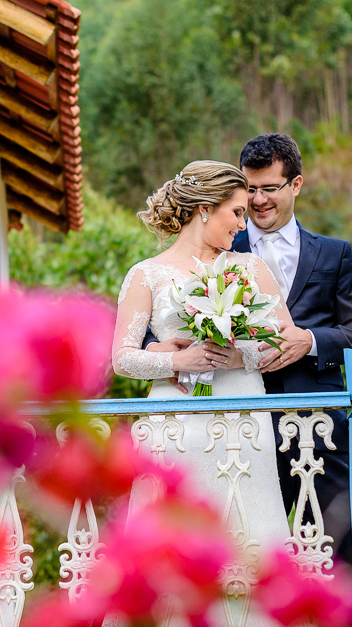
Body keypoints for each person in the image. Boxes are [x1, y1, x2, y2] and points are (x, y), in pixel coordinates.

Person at [146, 133, 352, 567]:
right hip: (232, 430)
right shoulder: (216, 247)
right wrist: (163, 350)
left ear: (296, 185)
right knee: (238, 552)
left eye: (269, 188)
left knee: (336, 553)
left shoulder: (334, 255)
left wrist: (309, 340)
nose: (257, 201)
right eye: (249, 189)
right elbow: (166, 322)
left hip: (317, 428)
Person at [112, 160, 294, 626]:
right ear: (203, 209)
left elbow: (285, 338)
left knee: (249, 538)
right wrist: (176, 359)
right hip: (177, 431)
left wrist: (235, 357)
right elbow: (123, 357)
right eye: (235, 212)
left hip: (243, 426)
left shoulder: (250, 268)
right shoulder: (146, 275)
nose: (243, 221)